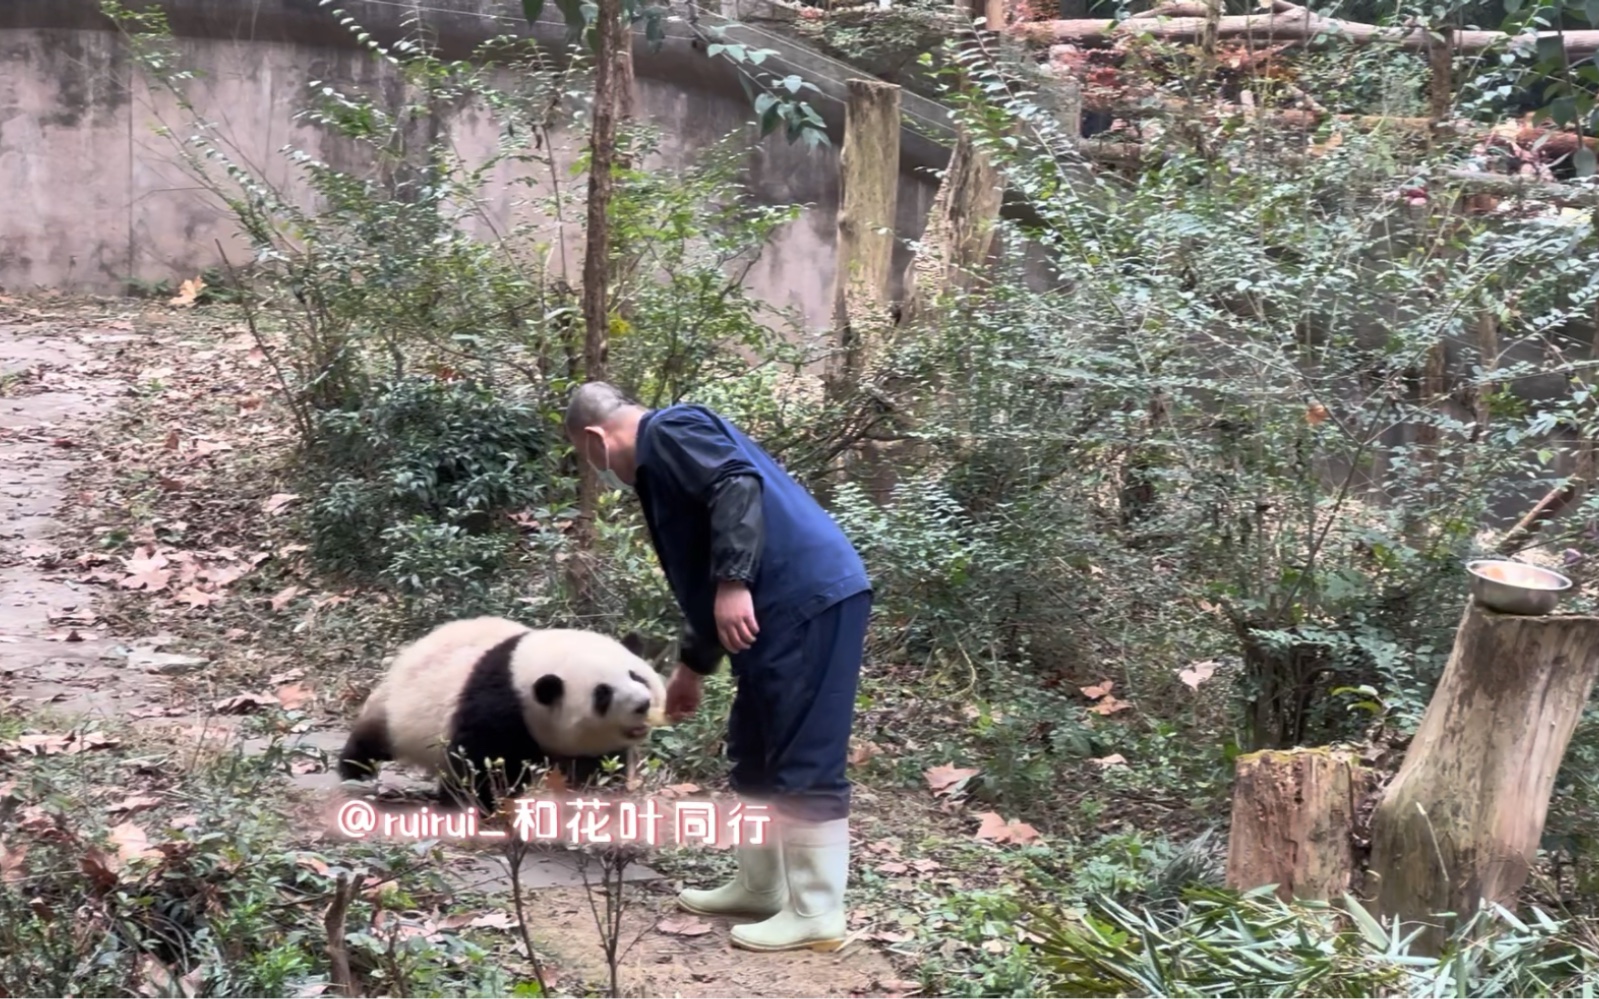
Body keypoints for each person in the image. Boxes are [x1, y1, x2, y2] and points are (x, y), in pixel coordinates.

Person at [564, 381, 872, 953]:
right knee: (753, 750)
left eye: (587, 460)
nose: (597, 471)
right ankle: (761, 886)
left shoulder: (672, 429)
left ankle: (817, 911)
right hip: (770, 611)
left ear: (595, 439)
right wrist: (692, 669)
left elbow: (737, 485)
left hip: (806, 598)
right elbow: (702, 580)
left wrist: (735, 581)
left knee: (804, 753)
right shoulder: (661, 473)